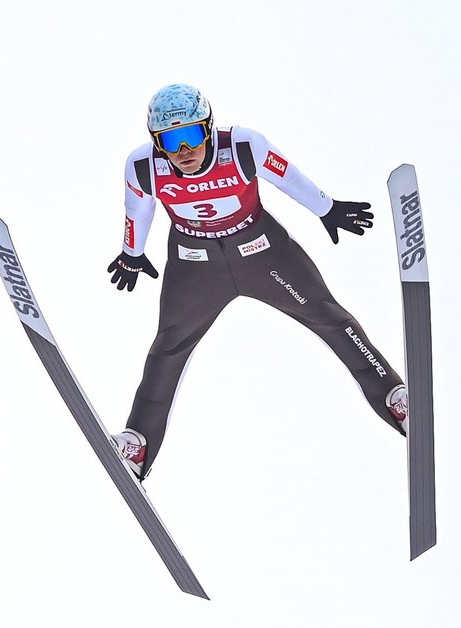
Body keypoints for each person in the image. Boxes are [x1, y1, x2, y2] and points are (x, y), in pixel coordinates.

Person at [107, 83, 407, 480]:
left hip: (264, 253)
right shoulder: (143, 166)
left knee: (330, 317)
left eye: (192, 135)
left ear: (209, 127)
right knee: (168, 348)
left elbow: (289, 178)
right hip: (195, 266)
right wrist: (132, 251)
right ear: (155, 141)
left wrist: (327, 208)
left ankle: (396, 400)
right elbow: (138, 210)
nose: (184, 151)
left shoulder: (243, 147)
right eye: (170, 140)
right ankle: (138, 447)